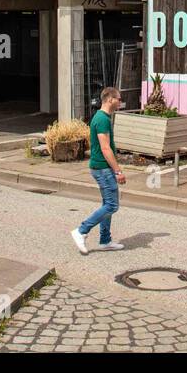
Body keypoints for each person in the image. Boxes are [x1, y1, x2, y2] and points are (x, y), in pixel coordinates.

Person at [72, 86, 127, 253]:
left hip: (101, 167)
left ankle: (105, 240)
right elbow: (105, 148)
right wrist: (118, 171)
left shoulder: (101, 117)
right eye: (118, 99)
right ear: (110, 99)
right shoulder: (102, 119)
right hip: (102, 168)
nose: (120, 102)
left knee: (107, 204)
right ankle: (81, 231)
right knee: (112, 206)